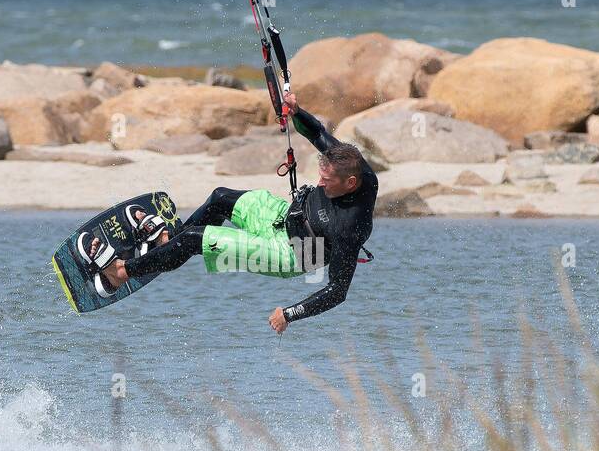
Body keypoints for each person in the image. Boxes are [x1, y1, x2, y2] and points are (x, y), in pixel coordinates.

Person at [77, 92, 377, 333]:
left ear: (350, 183)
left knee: (196, 240)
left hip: (291, 253)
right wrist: (295, 111)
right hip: (284, 215)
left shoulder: (348, 228)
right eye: (321, 177)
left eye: (327, 181)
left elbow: (338, 291)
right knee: (220, 198)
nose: (321, 183)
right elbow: (317, 133)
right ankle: (166, 242)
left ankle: (119, 274)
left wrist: (289, 314)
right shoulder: (350, 162)